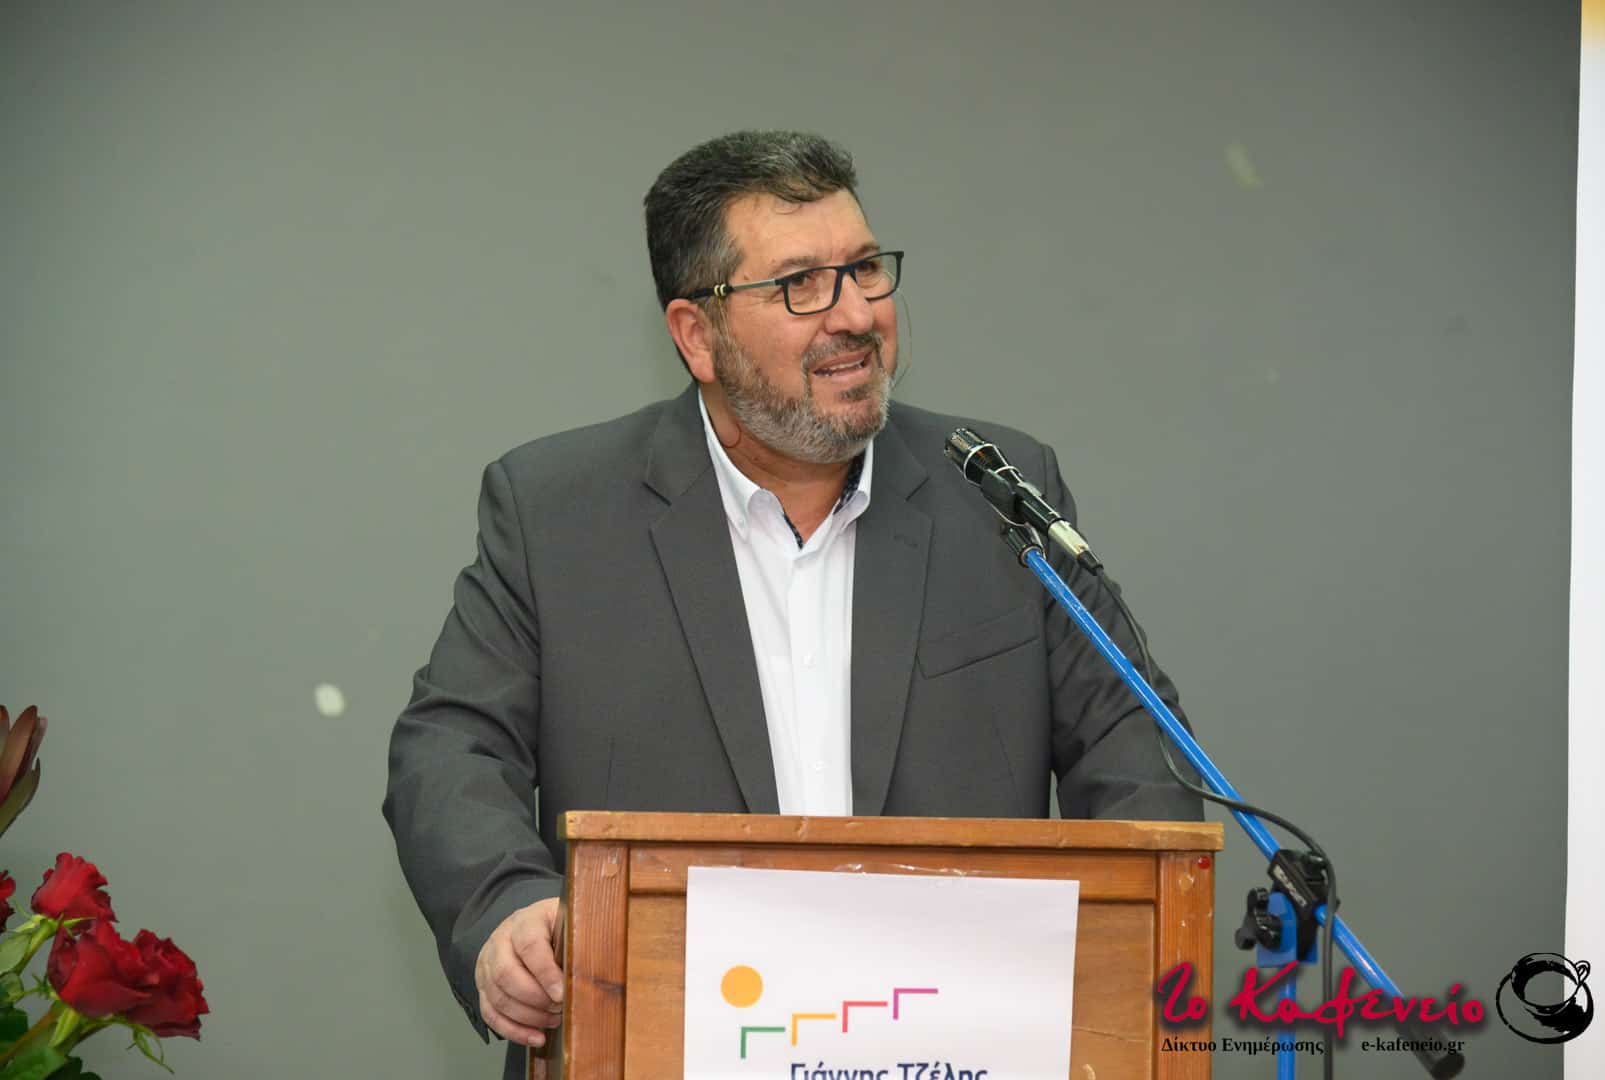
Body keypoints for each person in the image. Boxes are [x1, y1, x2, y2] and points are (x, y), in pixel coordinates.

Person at [383, 130, 1201, 1079]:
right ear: (697, 335)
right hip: (660, 1032)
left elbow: (1134, 745)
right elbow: (450, 746)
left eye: (865, 269)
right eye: (800, 284)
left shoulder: (995, 491)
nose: (855, 314)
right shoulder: (558, 510)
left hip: (957, 1039)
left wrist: (1129, 943)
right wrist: (505, 907)